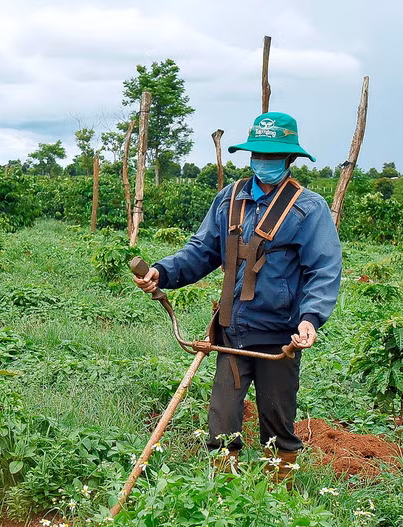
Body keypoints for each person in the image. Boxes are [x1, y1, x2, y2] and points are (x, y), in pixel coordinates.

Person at [134, 112, 342, 479]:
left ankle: (278, 497)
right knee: (222, 421)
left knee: (277, 424)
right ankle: (223, 495)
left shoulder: (308, 209)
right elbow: (201, 252)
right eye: (258, 154)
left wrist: (311, 318)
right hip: (231, 331)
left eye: (272, 156)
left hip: (279, 337)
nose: (264, 162)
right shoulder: (229, 199)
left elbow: (323, 270)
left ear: (289, 159)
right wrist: (162, 272)